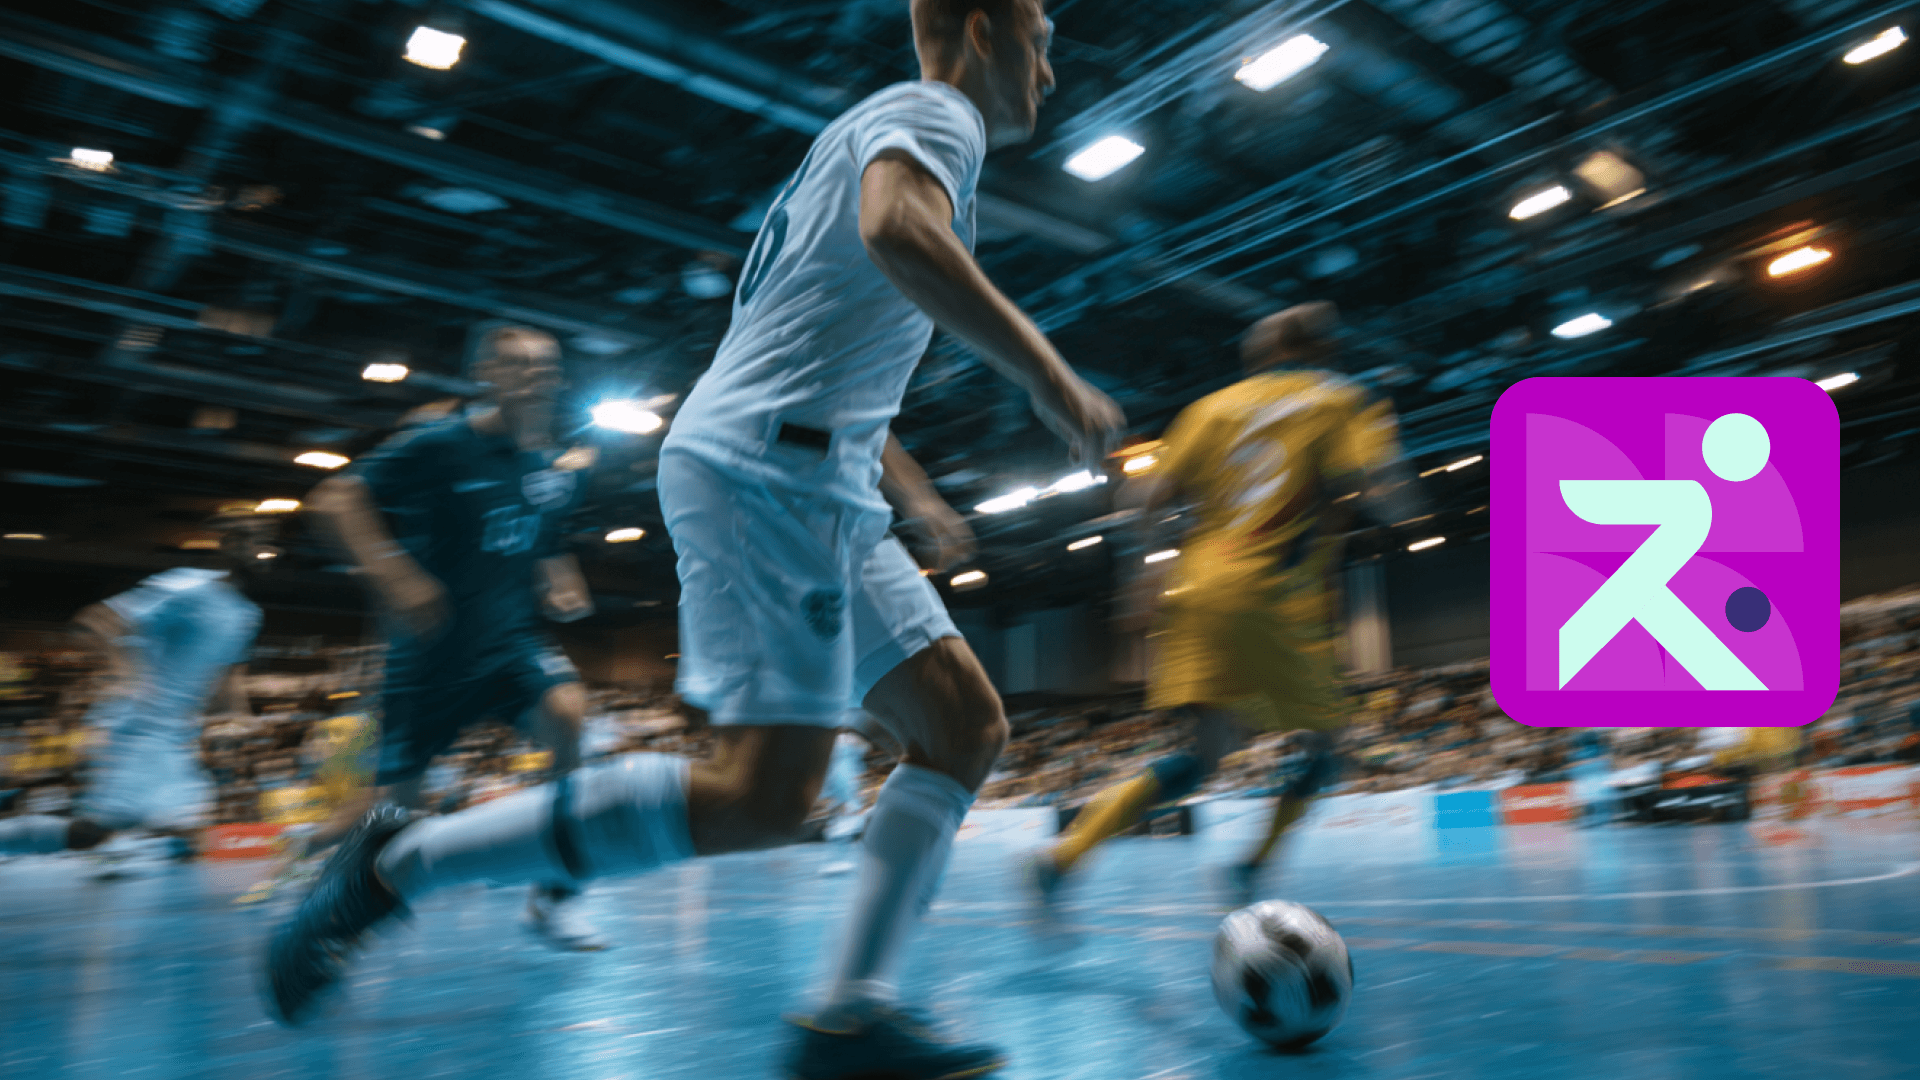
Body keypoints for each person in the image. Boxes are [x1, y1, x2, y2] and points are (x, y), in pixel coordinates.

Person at [262, 3, 1121, 1076]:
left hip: (812, 472)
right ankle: (400, 861)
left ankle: (848, 1010)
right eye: (1042, 31)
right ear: (985, 28)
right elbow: (898, 230)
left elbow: (831, 332)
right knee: (762, 795)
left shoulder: (882, 125)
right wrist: (1048, 371)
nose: (1052, 62)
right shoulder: (937, 113)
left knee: (962, 725)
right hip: (775, 471)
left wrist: (910, 489)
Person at [1030, 301, 1412, 909]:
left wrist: (1141, 575)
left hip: (1200, 592)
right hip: (1278, 594)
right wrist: (1400, 499)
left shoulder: (1207, 410)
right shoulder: (1341, 399)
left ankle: (1064, 854)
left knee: (1201, 756)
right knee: (1328, 747)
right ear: (1318, 349)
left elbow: (1142, 500)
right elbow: (1386, 492)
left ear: (1259, 355)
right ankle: (1252, 868)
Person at [296, 322, 606, 950]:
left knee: (570, 716)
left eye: (546, 365)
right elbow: (336, 499)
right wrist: (393, 573)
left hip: (510, 647)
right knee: (394, 813)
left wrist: (562, 580)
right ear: (486, 375)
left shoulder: (553, 468)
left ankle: (556, 893)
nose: (537, 375)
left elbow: (546, 542)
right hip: (430, 657)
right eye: (519, 363)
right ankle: (325, 889)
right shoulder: (440, 443)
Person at [0, 511, 271, 867]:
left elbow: (228, 677)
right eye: (253, 539)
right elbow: (98, 620)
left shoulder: (247, 616)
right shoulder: (187, 587)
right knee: (94, 833)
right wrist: (125, 673)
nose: (262, 550)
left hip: (175, 737)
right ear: (230, 544)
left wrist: (241, 716)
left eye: (267, 542)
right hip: (134, 729)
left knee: (185, 833)